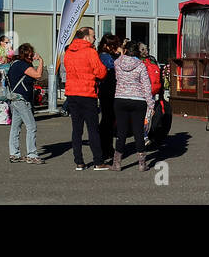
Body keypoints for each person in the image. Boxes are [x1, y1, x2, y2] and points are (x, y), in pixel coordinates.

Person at [62, 27, 109, 170]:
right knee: (93, 129)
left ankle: (79, 162)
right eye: (93, 36)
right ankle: (98, 161)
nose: (95, 38)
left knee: (77, 129)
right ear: (86, 37)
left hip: (72, 93)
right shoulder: (90, 52)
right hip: (87, 93)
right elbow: (101, 72)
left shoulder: (68, 52)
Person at [111, 41, 154, 171]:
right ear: (137, 52)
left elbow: (116, 77)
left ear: (125, 51)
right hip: (138, 100)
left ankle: (117, 163)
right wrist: (151, 104)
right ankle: (142, 163)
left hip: (120, 98)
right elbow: (146, 86)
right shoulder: (141, 65)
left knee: (121, 132)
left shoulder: (117, 63)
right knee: (138, 132)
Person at [6, 43, 45, 165]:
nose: (33, 55)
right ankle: (32, 154)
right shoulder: (22, 65)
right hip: (21, 100)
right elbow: (38, 75)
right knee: (31, 126)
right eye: (31, 53)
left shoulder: (16, 64)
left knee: (15, 127)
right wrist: (41, 60)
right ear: (26, 54)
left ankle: (14, 154)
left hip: (15, 98)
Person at [96, 33, 121, 161]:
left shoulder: (108, 55)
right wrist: (121, 55)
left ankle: (107, 148)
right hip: (107, 91)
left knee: (109, 120)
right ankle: (105, 148)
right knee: (107, 120)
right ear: (106, 45)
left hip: (109, 91)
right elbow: (114, 65)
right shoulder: (104, 56)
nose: (114, 48)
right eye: (112, 45)